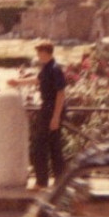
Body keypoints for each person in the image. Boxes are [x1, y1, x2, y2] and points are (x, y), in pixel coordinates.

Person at [30, 41, 68, 191]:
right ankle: (60, 181)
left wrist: (56, 117)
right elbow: (38, 80)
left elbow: (61, 93)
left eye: (39, 52)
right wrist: (18, 82)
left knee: (39, 146)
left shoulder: (55, 69)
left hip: (51, 110)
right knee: (54, 146)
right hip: (49, 109)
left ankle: (42, 182)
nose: (38, 55)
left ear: (46, 52)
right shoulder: (47, 68)